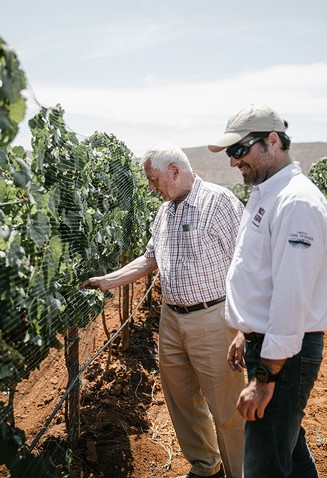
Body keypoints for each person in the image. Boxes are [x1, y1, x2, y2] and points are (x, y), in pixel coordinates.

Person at [82, 143, 245, 478]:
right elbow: (149, 259)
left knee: (227, 409)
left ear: (174, 170)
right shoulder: (164, 212)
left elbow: (248, 266)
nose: (152, 188)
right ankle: (206, 464)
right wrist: (106, 281)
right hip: (171, 319)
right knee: (182, 401)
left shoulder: (219, 202)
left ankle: (240, 471)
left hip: (213, 318)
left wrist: (245, 327)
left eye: (154, 179)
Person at [208, 104, 327, 478]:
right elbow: (261, 277)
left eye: (239, 150)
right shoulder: (267, 194)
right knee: (289, 453)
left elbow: (290, 296)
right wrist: (244, 331)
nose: (233, 161)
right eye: (231, 153)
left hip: (286, 354)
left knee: (264, 463)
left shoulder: (295, 202)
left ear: (273, 141)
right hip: (268, 345)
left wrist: (265, 379)